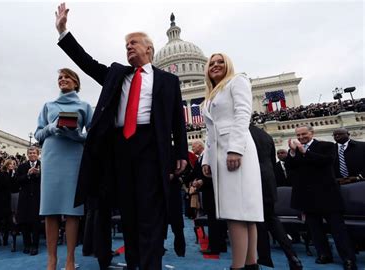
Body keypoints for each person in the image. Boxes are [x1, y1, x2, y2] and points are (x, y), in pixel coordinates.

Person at [55, 4, 188, 270]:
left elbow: (176, 120)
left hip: (150, 147)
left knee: (150, 213)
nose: (128, 47)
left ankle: (151, 265)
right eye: (126, 44)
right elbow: (87, 62)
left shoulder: (167, 81)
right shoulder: (117, 74)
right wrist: (63, 32)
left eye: (133, 43)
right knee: (128, 212)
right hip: (118, 149)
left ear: (149, 49)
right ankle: (132, 261)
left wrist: (181, 153)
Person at [201, 53, 263, 270]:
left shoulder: (238, 80)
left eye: (220, 62)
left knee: (237, 213)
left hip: (236, 150)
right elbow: (210, 132)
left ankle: (237, 267)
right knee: (243, 213)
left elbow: (243, 114)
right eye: (211, 63)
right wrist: (206, 160)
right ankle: (250, 264)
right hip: (220, 154)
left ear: (228, 66)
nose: (216, 65)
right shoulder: (210, 96)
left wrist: (235, 149)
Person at [34, 68, 93, 270]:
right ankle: (51, 259)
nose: (63, 80)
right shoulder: (48, 106)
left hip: (74, 158)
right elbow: (38, 134)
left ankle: (69, 259)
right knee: (50, 210)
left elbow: (93, 136)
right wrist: (52, 128)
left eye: (67, 77)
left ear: (76, 82)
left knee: (72, 211)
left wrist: (76, 134)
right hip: (51, 158)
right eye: (60, 77)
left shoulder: (85, 106)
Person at [286, 125, 357, 270]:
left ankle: (348, 259)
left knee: (338, 229)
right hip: (307, 196)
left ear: (312, 133)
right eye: (298, 135)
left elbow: (326, 161)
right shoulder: (294, 151)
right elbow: (290, 167)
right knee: (315, 229)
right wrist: (293, 153)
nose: (300, 137)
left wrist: (304, 152)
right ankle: (324, 254)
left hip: (327, 195)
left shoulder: (327, 146)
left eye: (303, 134)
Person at [249, 125, 302, 270]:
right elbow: (272, 161)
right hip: (268, 180)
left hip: (252, 180)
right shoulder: (265, 135)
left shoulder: (241, 132)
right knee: (272, 219)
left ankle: (265, 259)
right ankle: (292, 256)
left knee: (258, 223)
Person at [16, 147, 42, 256]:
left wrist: (38, 174)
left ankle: (35, 246)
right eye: (30, 153)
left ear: (38, 154)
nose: (32, 154)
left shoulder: (43, 165)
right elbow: (17, 181)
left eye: (34, 153)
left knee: (36, 223)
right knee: (25, 222)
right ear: (27, 154)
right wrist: (27, 174)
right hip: (24, 198)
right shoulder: (22, 166)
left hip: (38, 198)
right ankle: (27, 244)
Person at [0, 159, 16, 246]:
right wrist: (11, 174)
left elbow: (14, 186)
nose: (12, 165)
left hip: (9, 198)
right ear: (7, 165)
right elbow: (4, 184)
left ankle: (6, 237)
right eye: (10, 164)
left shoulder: (13, 174)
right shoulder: (1, 174)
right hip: (0, 198)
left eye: (13, 164)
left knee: (8, 219)